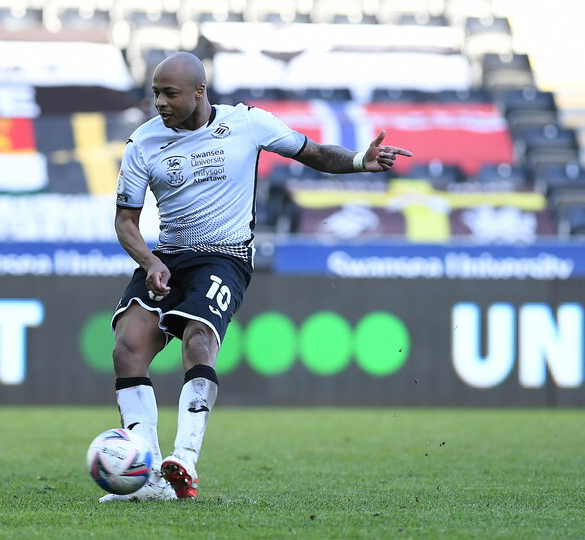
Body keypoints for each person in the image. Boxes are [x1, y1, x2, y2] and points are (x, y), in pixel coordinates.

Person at [100, 51, 413, 502]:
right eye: (155, 94)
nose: (160, 103)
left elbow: (314, 152)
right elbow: (126, 221)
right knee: (127, 346)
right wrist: (151, 263)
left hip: (224, 256)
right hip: (168, 254)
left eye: (169, 93)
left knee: (198, 339)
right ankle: (145, 474)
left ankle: (183, 458)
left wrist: (362, 161)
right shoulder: (142, 144)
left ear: (199, 92)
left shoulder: (247, 123)